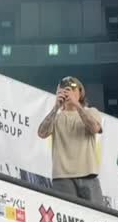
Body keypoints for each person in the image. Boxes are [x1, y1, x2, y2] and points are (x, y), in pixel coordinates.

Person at [37, 76, 104, 206]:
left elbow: (94, 128)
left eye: (72, 89)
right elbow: (41, 133)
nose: (67, 92)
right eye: (63, 89)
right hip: (62, 177)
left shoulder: (91, 111)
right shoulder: (56, 118)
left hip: (88, 174)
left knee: (97, 214)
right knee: (67, 214)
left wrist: (76, 104)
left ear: (80, 93)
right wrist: (56, 107)